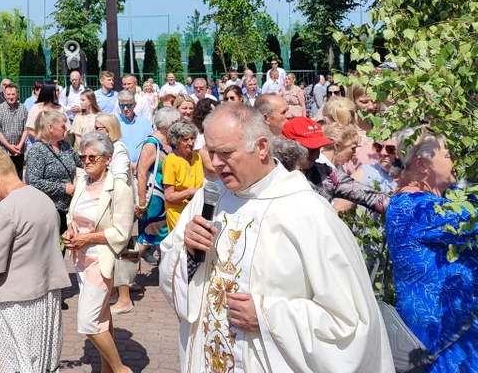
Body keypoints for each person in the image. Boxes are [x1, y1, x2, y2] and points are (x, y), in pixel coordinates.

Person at [159, 103, 392, 373]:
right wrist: (187, 251)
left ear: (261, 147)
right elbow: (173, 277)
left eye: (225, 153)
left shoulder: (308, 213)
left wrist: (268, 315)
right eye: (211, 152)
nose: (215, 163)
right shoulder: (207, 198)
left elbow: (350, 324)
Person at [0, 146, 70, 373]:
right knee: (45, 364)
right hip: (49, 298)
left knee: (18, 365)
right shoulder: (44, 200)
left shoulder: (5, 210)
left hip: (18, 304)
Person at [387, 129, 478, 372]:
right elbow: (470, 218)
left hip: (455, 333)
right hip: (442, 342)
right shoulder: (414, 209)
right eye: (448, 156)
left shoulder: (431, 201)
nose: (454, 163)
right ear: (422, 164)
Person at [63, 132, 135, 373]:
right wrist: (71, 229)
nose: (86, 161)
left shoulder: (119, 188)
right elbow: (72, 213)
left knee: (88, 322)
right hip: (80, 262)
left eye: (92, 156)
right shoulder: (82, 180)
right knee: (102, 317)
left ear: (108, 158)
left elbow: (122, 232)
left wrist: (88, 237)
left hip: (101, 261)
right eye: (83, 156)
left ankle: (120, 369)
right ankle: (106, 369)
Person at [281, 117, 390, 215]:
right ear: (289, 146)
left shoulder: (325, 173)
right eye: (309, 149)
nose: (316, 155)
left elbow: (366, 194)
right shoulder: (275, 173)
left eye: (318, 148)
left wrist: (399, 207)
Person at [92, 113, 136, 314]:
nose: (95, 131)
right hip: (112, 203)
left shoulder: (118, 149)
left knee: (121, 251)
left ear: (109, 130)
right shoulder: (109, 148)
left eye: (98, 128)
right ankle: (115, 292)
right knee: (113, 249)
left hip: (120, 206)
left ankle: (125, 299)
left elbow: (118, 178)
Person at [26, 109, 82, 235]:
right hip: (47, 210)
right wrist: (63, 188)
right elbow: (34, 182)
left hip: (67, 209)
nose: (66, 130)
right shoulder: (37, 150)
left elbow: (80, 165)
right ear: (50, 127)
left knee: (61, 248)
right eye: (62, 126)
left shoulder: (65, 146)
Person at [136, 107, 177, 264]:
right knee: (148, 236)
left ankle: (165, 269)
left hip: (169, 196)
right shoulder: (151, 144)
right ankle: (125, 274)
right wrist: (142, 202)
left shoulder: (171, 142)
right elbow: (141, 173)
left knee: (164, 235)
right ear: (168, 123)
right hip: (155, 197)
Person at [162, 119, 204, 231]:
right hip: (177, 212)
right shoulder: (171, 161)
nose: (190, 143)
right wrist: (189, 192)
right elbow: (169, 196)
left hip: (195, 210)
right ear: (177, 141)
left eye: (192, 138)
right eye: (186, 140)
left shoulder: (197, 157)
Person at [0, 83, 28, 179]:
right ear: (4, 95)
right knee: (5, 178)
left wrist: (19, 146)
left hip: (19, 151)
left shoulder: (23, 108)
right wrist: (9, 147)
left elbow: (26, 129)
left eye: (13, 94)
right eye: (8, 94)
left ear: (17, 94)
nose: (11, 97)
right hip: (4, 151)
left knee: (18, 177)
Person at [115, 90, 153, 163]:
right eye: (122, 106)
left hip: (144, 166)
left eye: (129, 105)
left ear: (135, 105)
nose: (125, 109)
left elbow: (151, 146)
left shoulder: (145, 123)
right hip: (122, 167)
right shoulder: (114, 123)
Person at [23, 82, 61, 148]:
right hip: (39, 147)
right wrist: (45, 140)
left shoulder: (60, 108)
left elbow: (66, 130)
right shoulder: (36, 108)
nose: (59, 92)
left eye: (58, 90)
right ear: (49, 92)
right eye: (57, 90)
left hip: (57, 147)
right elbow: (30, 131)